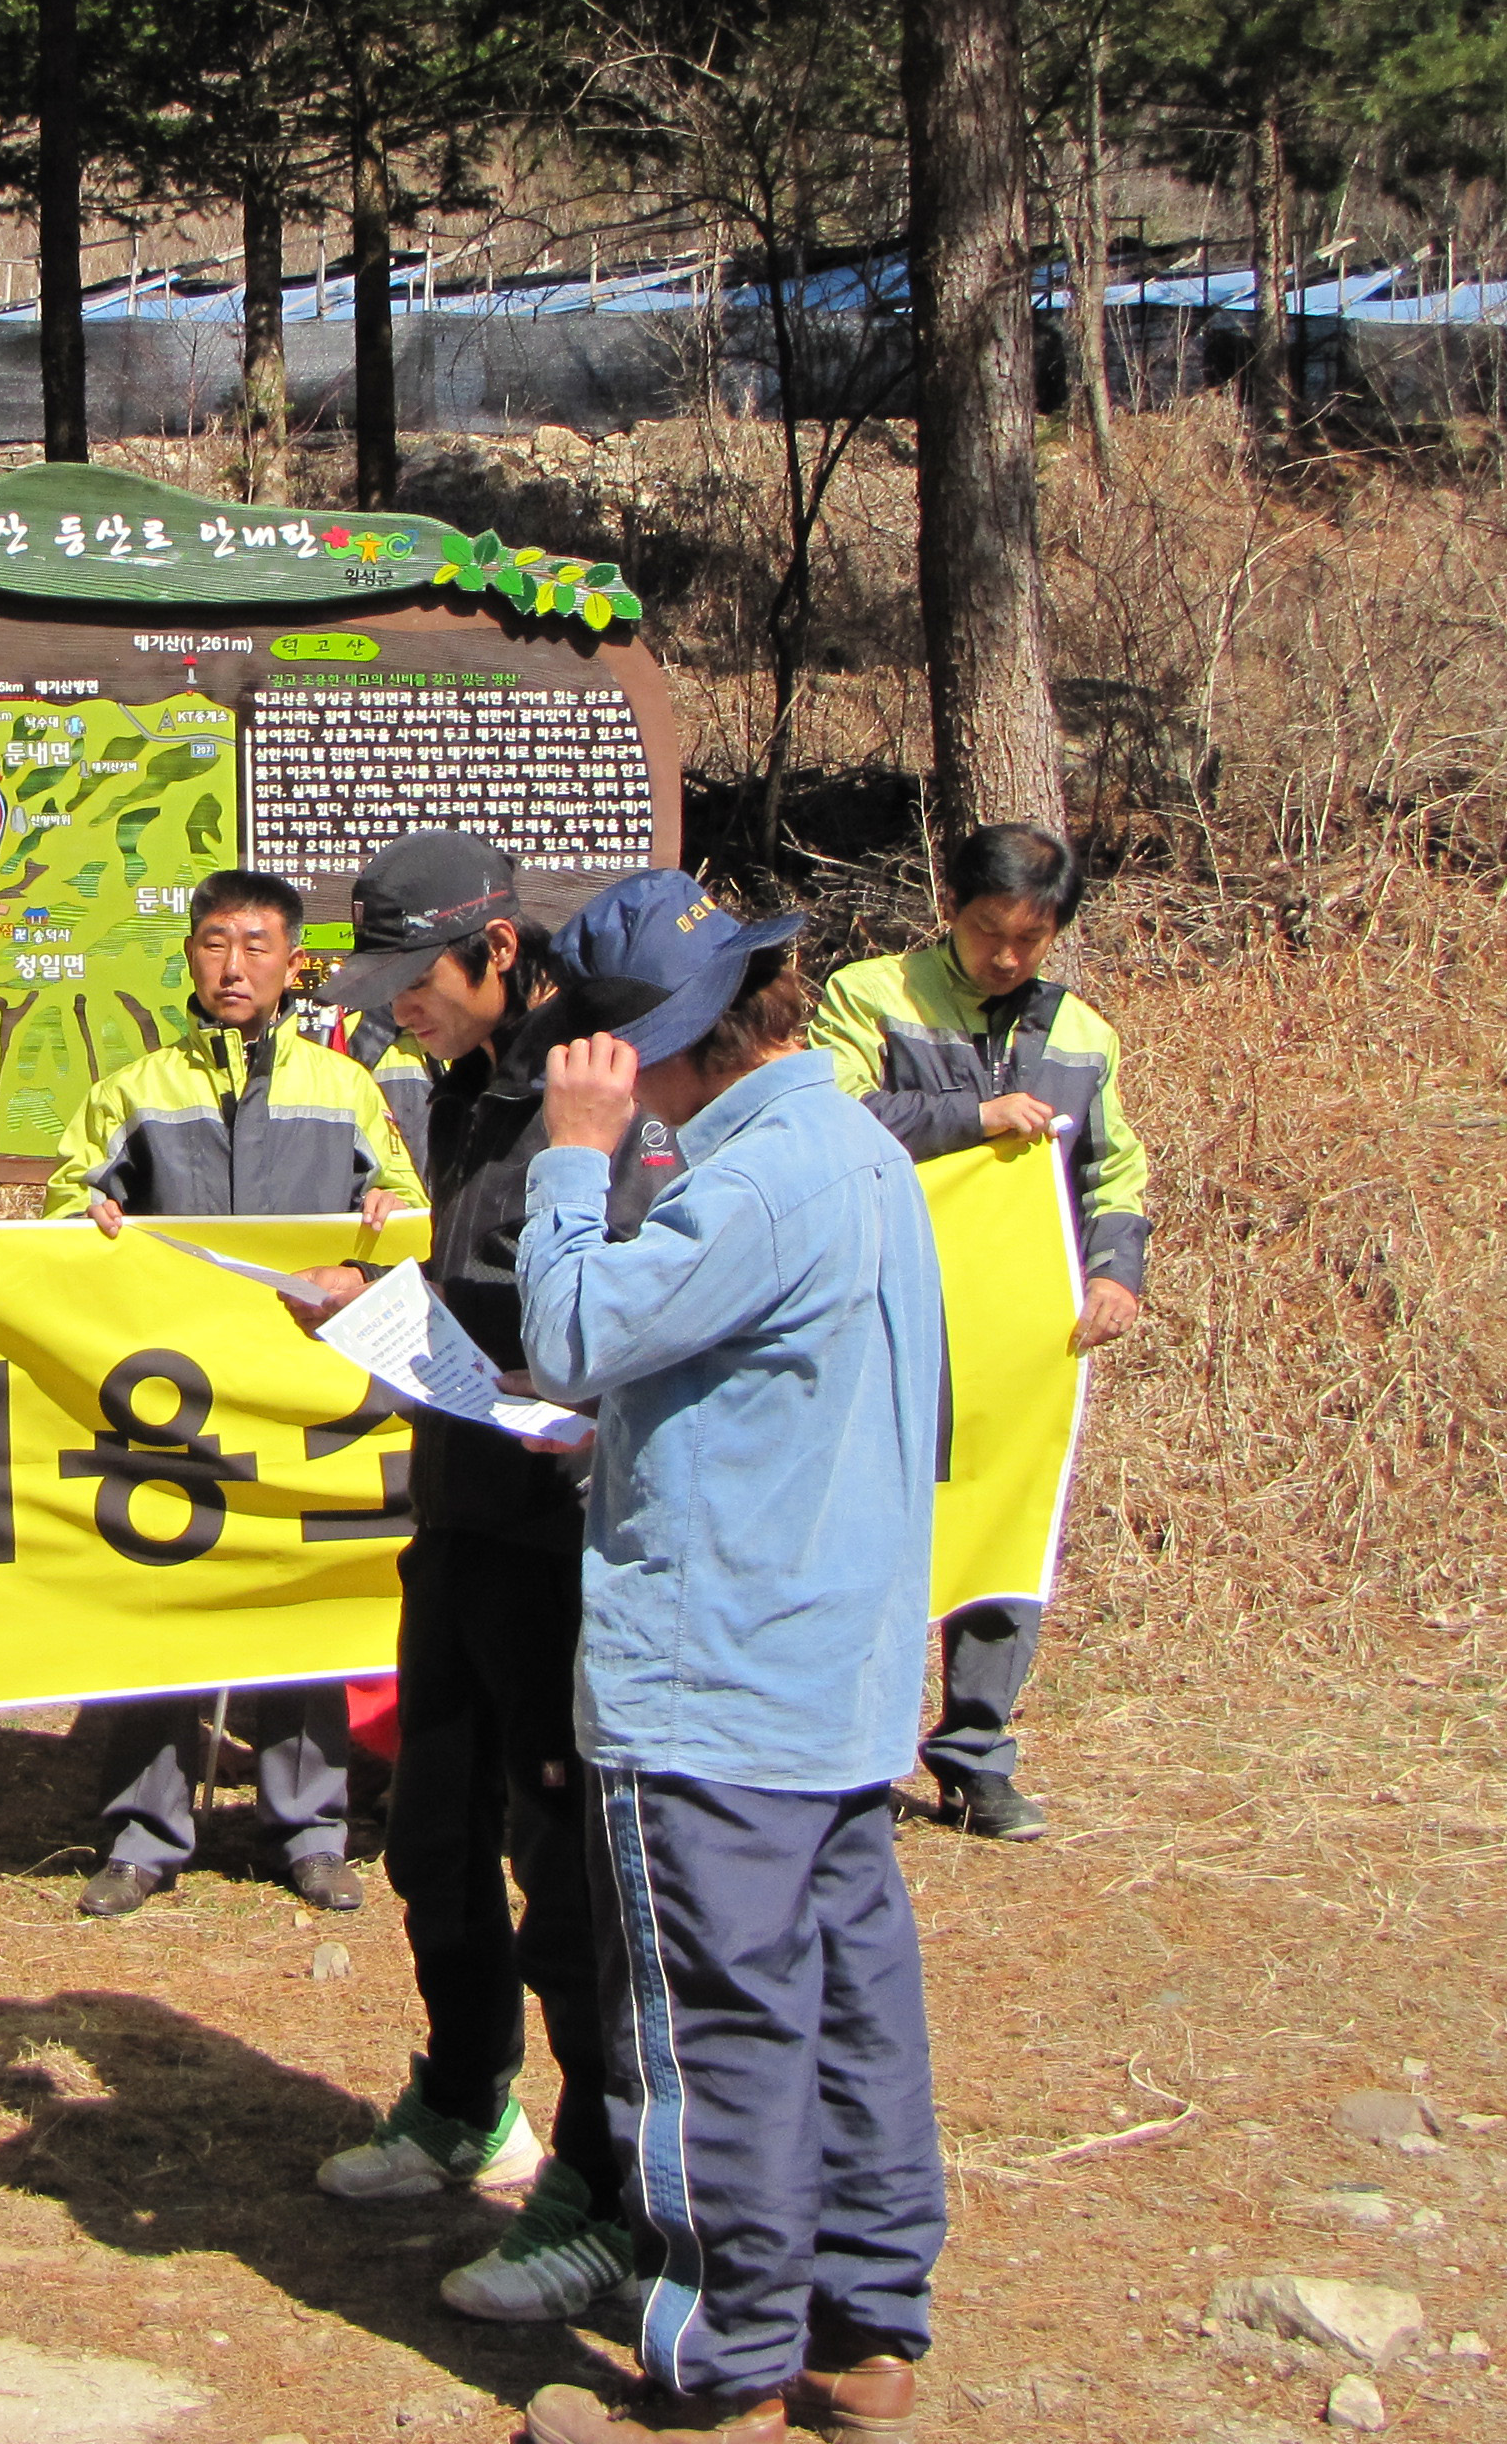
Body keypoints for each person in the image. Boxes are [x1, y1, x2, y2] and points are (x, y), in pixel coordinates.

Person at [514, 872, 949, 2444]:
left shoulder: (754, 1182)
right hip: (832, 1667)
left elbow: (570, 1332)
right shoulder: (859, 1152)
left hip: (714, 1685)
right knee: (850, 2003)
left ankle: (726, 2364)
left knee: (716, 2025)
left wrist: (574, 1159)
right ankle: (864, 2332)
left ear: (658, 1047)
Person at [300, 831, 680, 2326]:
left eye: (420, 979)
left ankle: (599, 2182)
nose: (400, 1007)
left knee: (563, 1873)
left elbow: (617, 1322)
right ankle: (466, 2097)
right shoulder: (460, 1088)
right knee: (431, 1832)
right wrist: (375, 1301)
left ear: (500, 952)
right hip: (455, 1513)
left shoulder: (598, 1106)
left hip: (560, 1544)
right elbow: (484, 1287)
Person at [44, 867, 424, 1918]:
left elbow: (403, 1213)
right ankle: (142, 1836)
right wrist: (84, 1217)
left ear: (294, 964)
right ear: (189, 955)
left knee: (298, 1608)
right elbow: (66, 1204)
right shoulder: (134, 1090)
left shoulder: (345, 1089)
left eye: (257, 946)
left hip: (302, 1403)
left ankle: (309, 1832)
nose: (233, 966)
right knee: (164, 1605)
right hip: (174, 1402)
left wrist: (383, 1220)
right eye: (215, 943)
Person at [811, 821, 1151, 1843]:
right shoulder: (868, 996)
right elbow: (832, 1119)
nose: (1006, 956)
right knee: (871, 1531)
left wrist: (1115, 1273)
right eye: (988, 930)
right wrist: (974, 1116)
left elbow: (1113, 1170)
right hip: (885, 1316)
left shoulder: (1083, 1034)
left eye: (1030, 938)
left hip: (1019, 1336)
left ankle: (975, 1757)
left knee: (1006, 1524)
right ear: (947, 907)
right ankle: (851, 1758)